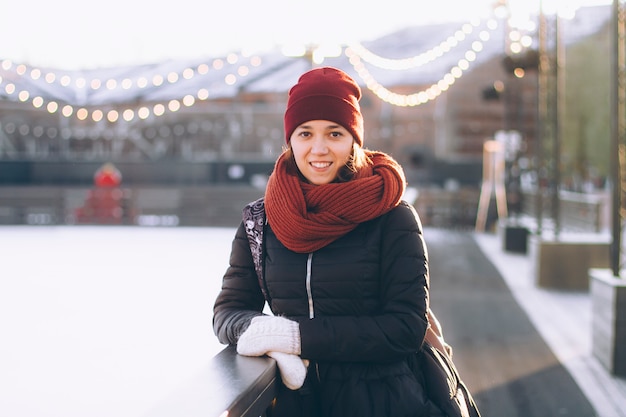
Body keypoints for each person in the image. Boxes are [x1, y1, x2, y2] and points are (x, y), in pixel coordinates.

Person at [213, 66, 447, 417]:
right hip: (293, 403)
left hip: (382, 403)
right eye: (305, 133)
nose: (318, 149)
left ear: (354, 139)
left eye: (334, 133)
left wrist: (296, 337)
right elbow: (227, 313)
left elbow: (404, 328)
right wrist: (264, 333)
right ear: (290, 139)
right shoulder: (260, 221)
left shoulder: (392, 217)